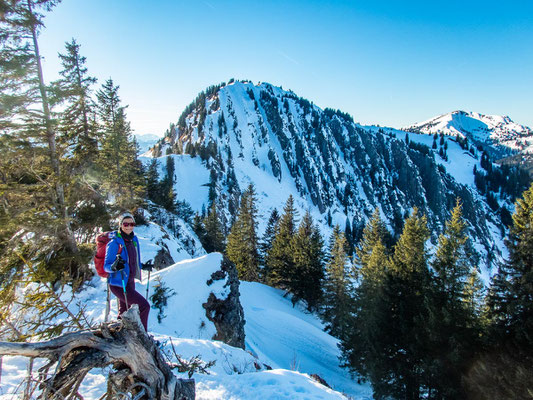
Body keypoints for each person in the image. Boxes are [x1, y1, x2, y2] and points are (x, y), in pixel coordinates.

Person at [104, 212, 152, 331]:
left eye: (132, 224)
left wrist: (142, 266)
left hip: (129, 282)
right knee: (144, 306)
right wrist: (114, 267)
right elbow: (106, 266)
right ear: (120, 225)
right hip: (118, 283)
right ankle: (143, 335)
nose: (129, 226)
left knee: (124, 311)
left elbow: (132, 261)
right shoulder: (114, 243)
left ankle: (119, 334)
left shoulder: (133, 239)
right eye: (126, 224)